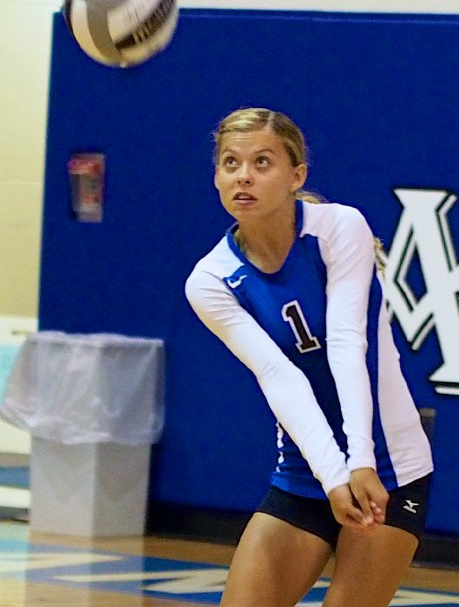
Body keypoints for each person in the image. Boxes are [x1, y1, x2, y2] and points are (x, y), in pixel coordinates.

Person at [185, 107, 433, 607]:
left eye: (262, 162)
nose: (243, 176)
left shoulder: (339, 227)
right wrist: (333, 475)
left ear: (296, 175)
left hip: (388, 464)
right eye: (230, 163)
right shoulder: (210, 280)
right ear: (216, 177)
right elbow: (279, 377)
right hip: (305, 469)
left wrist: (359, 462)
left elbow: (347, 345)